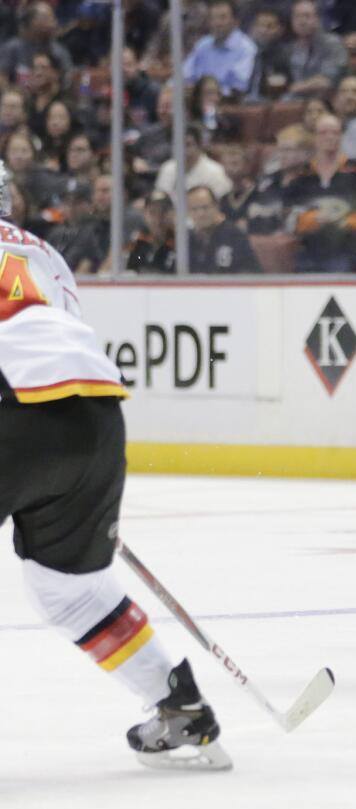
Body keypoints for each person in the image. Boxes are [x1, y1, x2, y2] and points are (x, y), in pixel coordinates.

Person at [0, 160, 228, 769]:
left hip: (10, 405)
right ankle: (179, 709)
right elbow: (68, 334)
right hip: (95, 418)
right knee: (68, 591)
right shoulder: (40, 249)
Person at [283, 113, 356, 273]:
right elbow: (287, 216)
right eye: (324, 132)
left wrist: (352, 221)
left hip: (346, 252)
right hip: (308, 254)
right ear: (314, 137)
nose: (329, 137)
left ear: (341, 136)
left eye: (335, 132)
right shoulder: (300, 176)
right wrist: (309, 220)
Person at [182, 0, 257, 96]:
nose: (217, 23)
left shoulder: (246, 48)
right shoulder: (203, 44)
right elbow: (185, 75)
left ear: (235, 21)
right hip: (196, 101)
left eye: (223, 18)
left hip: (228, 104)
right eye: (213, 18)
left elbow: (238, 87)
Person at [187, 185, 261, 273]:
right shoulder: (186, 239)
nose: (200, 214)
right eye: (194, 209)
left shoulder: (234, 235)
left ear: (216, 206)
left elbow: (249, 271)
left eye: (205, 207)